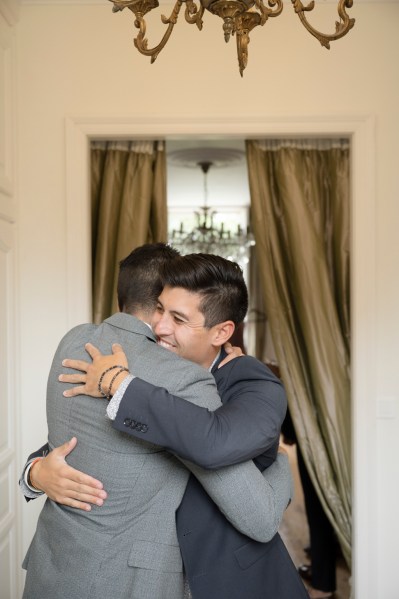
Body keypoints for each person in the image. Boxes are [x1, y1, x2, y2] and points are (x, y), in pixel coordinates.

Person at [22, 251, 309, 598]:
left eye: (177, 317)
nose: (159, 327)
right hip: (120, 576)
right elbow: (84, 438)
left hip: (217, 575)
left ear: (222, 331)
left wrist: (280, 460)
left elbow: (213, 444)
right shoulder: (162, 369)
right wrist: (35, 473)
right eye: (160, 309)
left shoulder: (252, 385)